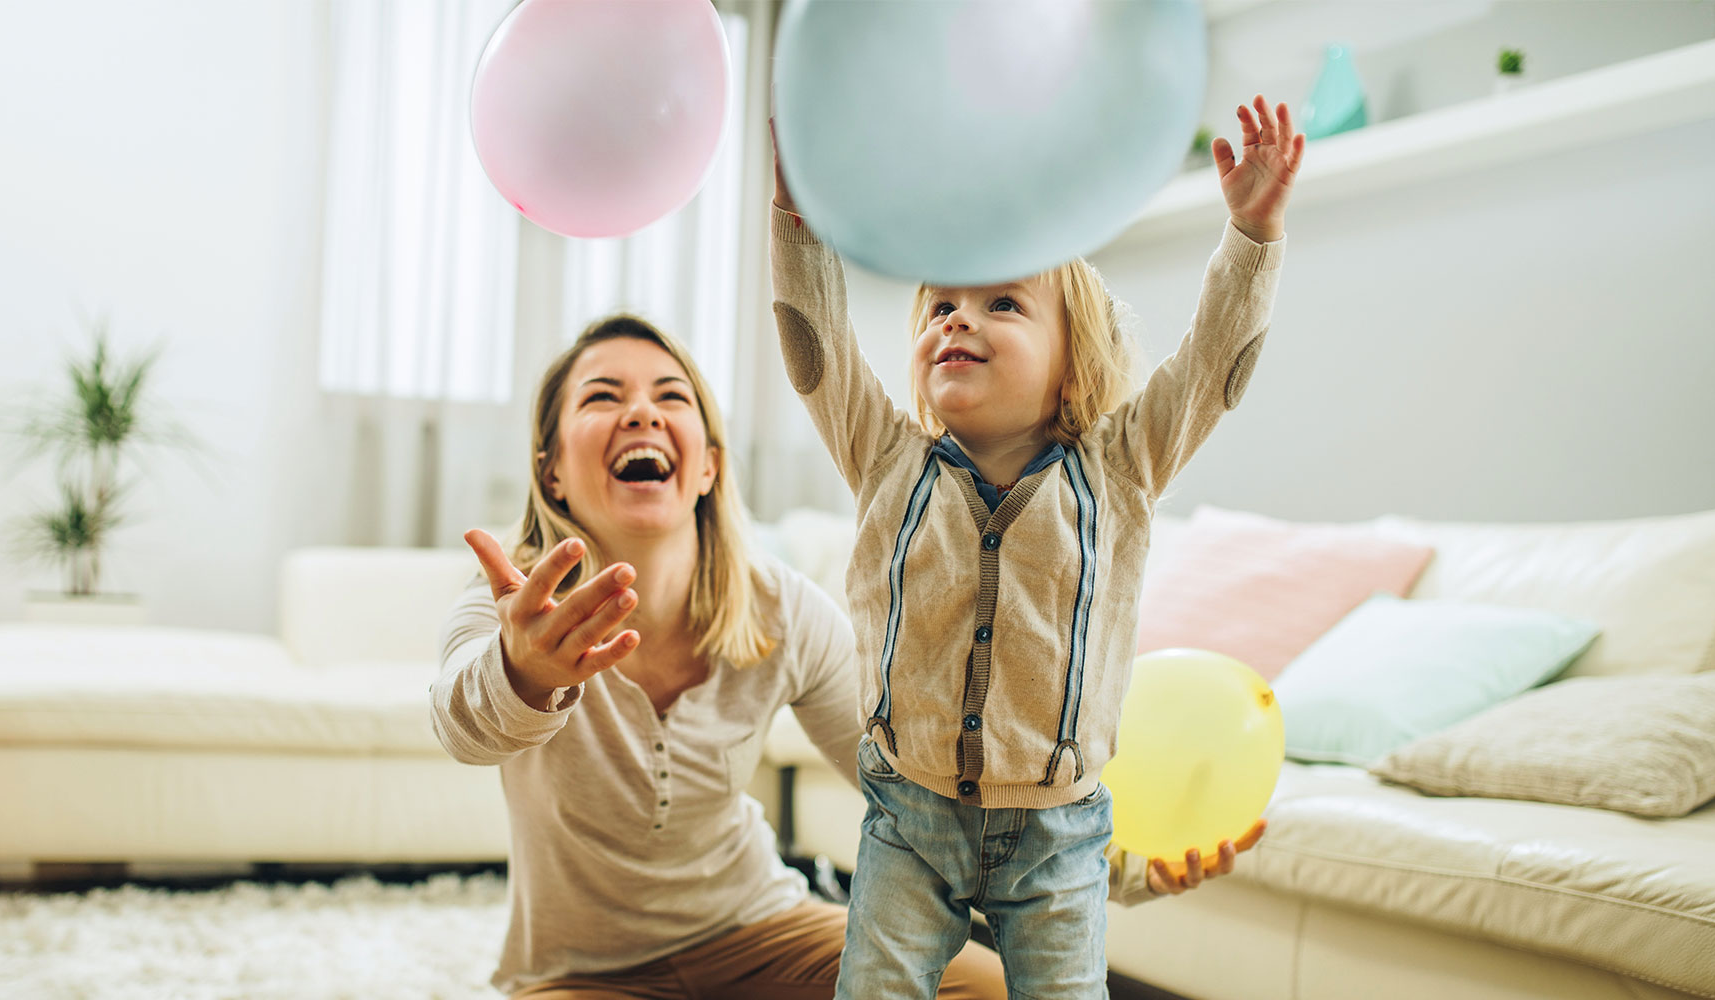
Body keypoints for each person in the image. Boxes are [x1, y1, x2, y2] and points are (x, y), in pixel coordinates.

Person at [431, 313, 1262, 999]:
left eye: (670, 397)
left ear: (709, 467)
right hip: (578, 974)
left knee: (984, 990)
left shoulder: (782, 609)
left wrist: (1122, 866)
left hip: (760, 929)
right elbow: (465, 728)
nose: (642, 414)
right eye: (602, 397)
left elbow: (925, 776)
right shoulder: (514, 610)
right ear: (553, 470)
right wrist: (527, 674)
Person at [767, 96, 1304, 1000]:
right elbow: (812, 344)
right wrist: (797, 216)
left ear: (1070, 360)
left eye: (1002, 302)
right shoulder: (884, 455)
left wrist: (1253, 234)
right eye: (940, 304)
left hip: (1060, 832)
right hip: (907, 816)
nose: (956, 320)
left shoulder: (1123, 467)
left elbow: (1216, 369)